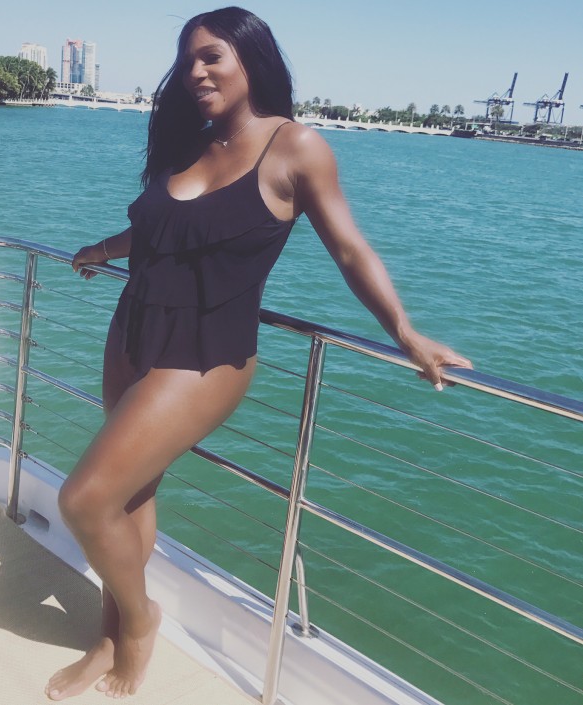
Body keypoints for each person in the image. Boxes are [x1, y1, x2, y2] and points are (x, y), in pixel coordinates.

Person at [45, 6, 472, 701]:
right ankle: (108, 634)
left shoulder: (295, 147)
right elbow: (158, 231)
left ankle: (141, 622)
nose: (195, 71)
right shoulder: (190, 139)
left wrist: (405, 331)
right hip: (133, 329)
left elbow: (349, 248)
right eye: (187, 60)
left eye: (211, 56)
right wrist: (101, 249)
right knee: (128, 493)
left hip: (205, 353)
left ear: (252, 60)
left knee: (85, 499)